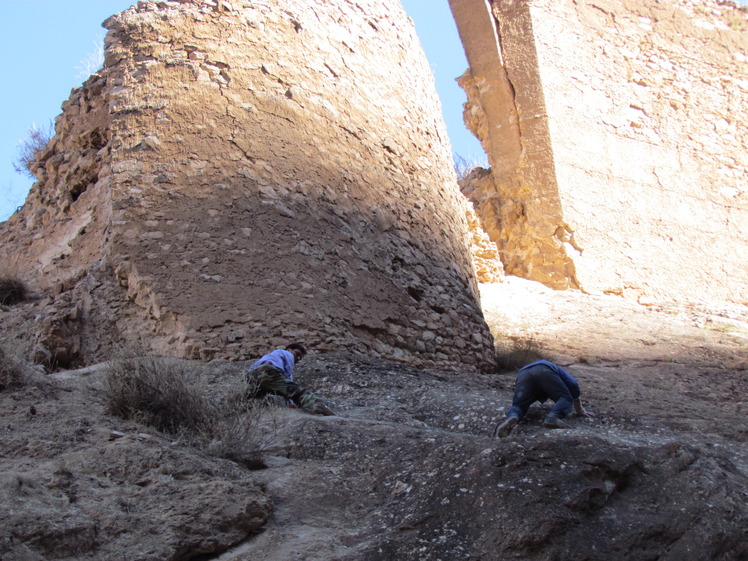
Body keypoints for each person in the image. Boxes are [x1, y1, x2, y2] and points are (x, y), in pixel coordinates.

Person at [493, 360, 593, 437]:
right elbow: (573, 385)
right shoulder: (562, 373)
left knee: (519, 405)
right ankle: (553, 417)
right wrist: (580, 410)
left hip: (523, 374)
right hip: (545, 370)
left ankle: (513, 416)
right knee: (565, 398)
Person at [246, 343, 335, 415]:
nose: (298, 358)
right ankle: (317, 403)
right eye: (297, 354)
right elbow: (287, 379)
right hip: (268, 372)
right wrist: (291, 400)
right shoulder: (285, 353)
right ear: (289, 349)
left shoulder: (268, 356)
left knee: (254, 395)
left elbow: (250, 369)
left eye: (300, 358)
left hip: (252, 375)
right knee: (297, 391)